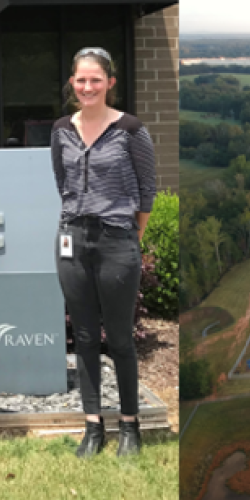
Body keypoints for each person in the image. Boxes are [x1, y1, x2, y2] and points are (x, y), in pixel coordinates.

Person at [51, 47, 157, 458]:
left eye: (96, 79)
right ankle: (93, 426)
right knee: (84, 336)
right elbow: (62, 184)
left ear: (110, 83)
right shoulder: (61, 129)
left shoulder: (131, 129)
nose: (88, 87)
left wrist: (132, 234)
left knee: (119, 338)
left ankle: (130, 426)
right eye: (81, 80)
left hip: (117, 240)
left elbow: (147, 190)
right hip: (72, 241)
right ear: (72, 84)